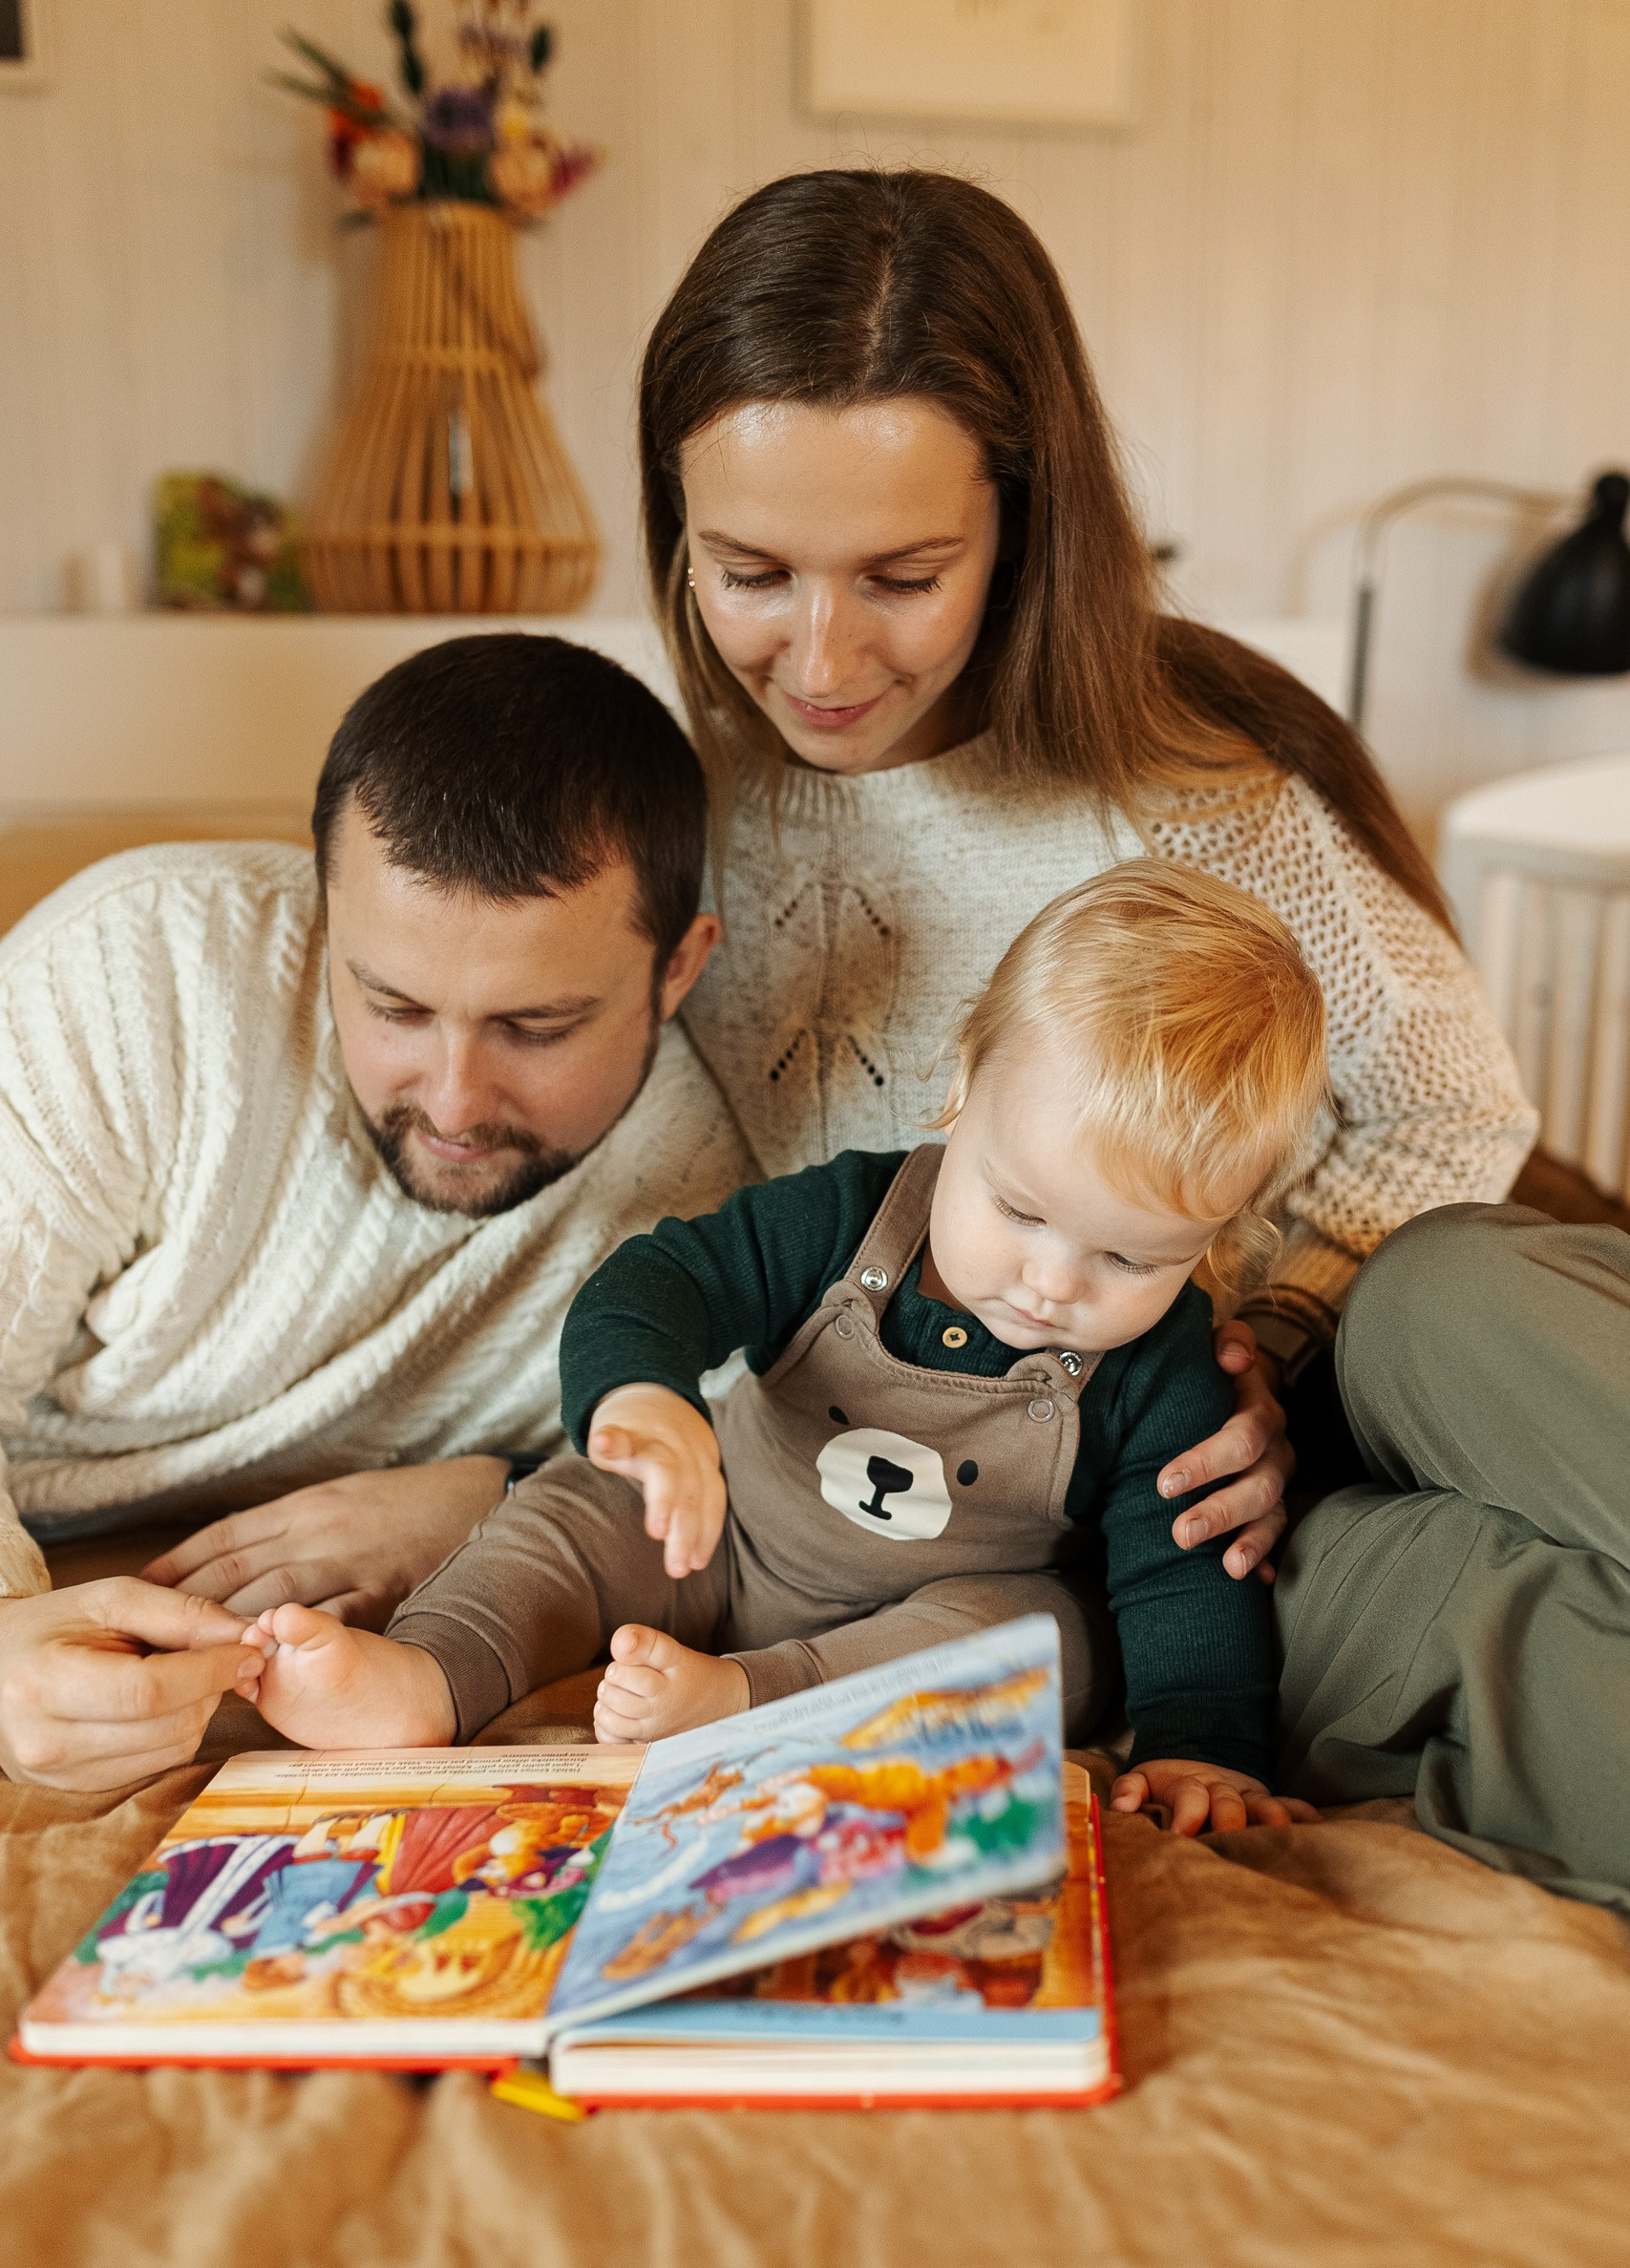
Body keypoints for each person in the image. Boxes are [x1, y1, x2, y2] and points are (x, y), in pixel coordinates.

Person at [637, 167, 1535, 1579]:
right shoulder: (677, 814)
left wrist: (1278, 1349)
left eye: (900, 575)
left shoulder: (1193, 789)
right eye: (750, 572)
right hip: (921, 1520)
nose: (816, 665)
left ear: (1023, 526)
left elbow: (1449, 1109)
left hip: (1203, 1484)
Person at [239, 866, 1323, 1839]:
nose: (1052, 1283)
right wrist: (642, 1398)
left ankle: (745, 1702)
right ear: (960, 1088)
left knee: (1039, 1638)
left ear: (1213, 1241)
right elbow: (661, 1280)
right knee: (578, 1509)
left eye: (1129, 1260)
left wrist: (1204, 1748)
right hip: (722, 1536)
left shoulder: (1171, 1373)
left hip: (932, 1619)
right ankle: (432, 1671)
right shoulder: (845, 1216)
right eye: (1019, 1210)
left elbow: (1187, 1578)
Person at [0, 634, 750, 1789]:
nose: (452, 1100)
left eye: (535, 1027)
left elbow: (769, 1498)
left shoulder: (719, 1195)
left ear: (679, 969)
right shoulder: (138, 978)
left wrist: (492, 1495)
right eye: (392, 1004)